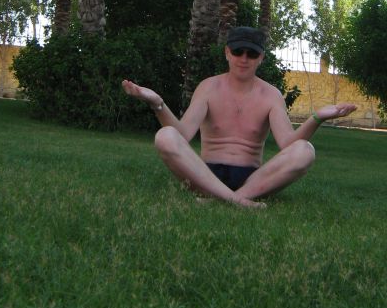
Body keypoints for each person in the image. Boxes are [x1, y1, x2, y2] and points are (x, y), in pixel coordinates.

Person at [122, 26, 357, 209]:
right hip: (205, 174)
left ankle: (225, 199)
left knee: (305, 151)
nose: (243, 59)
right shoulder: (208, 87)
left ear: (261, 57)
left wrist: (317, 117)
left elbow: (288, 144)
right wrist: (158, 103)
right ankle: (236, 201)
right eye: (237, 52)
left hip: (252, 179)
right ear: (227, 53)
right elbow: (182, 135)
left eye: (251, 53)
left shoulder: (271, 95)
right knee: (165, 136)